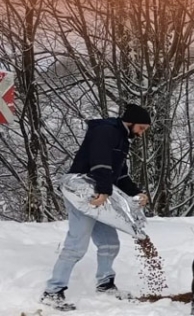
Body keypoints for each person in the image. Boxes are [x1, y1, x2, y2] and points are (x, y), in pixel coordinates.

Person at [40, 104, 152, 311]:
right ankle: (53, 291)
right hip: (83, 191)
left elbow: (119, 174)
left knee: (109, 243)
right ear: (131, 122)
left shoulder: (121, 139)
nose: (142, 133)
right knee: (76, 244)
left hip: (99, 191)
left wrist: (136, 192)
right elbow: (100, 163)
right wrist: (104, 190)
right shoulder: (106, 131)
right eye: (142, 128)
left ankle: (105, 284)